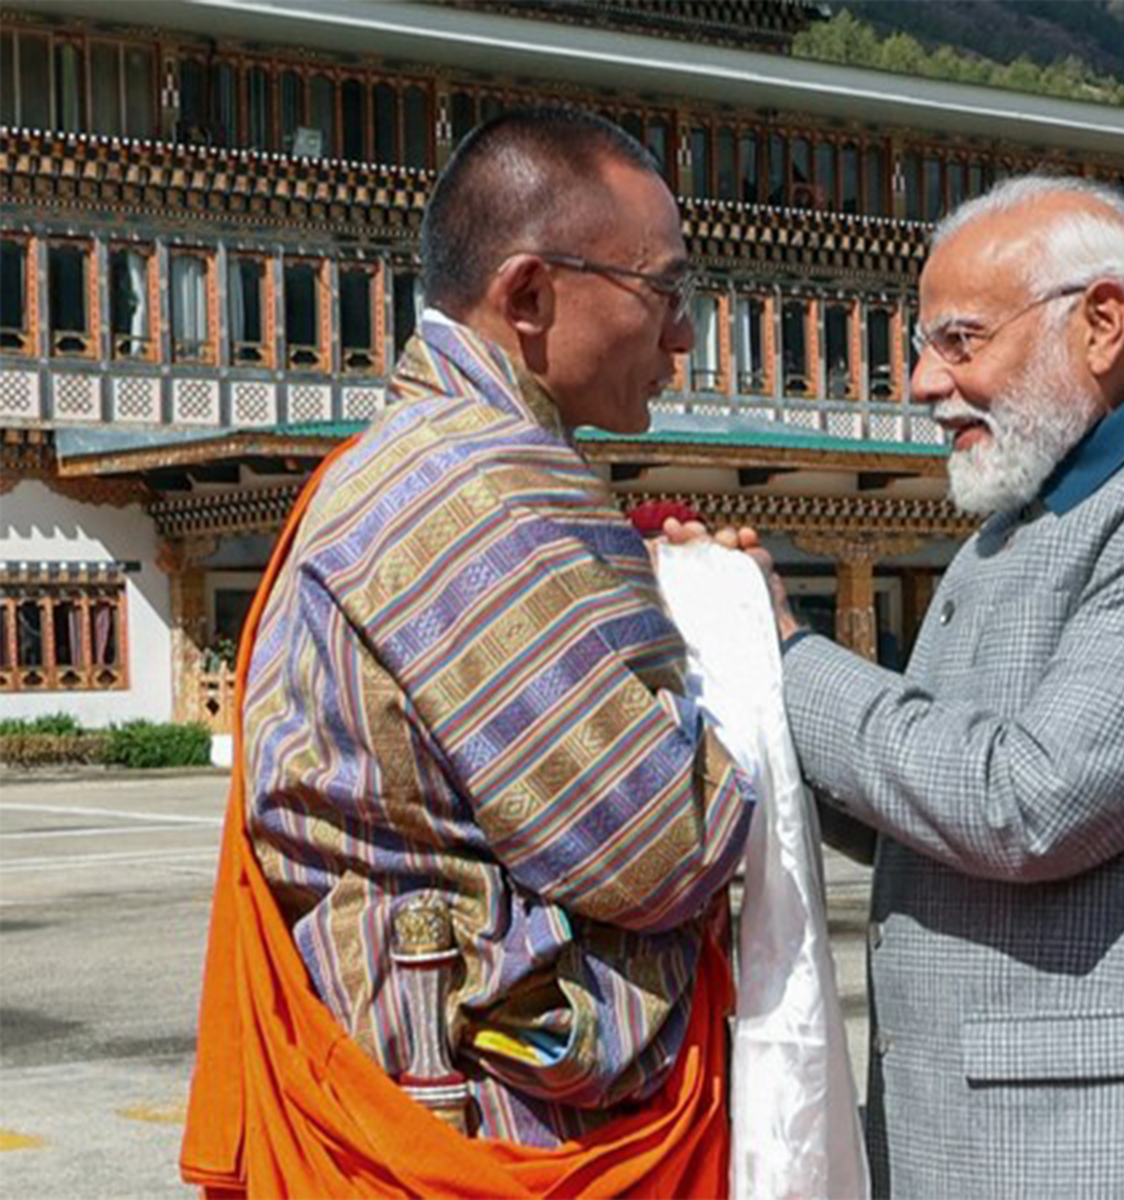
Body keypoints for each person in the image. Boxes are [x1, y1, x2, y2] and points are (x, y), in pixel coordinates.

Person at [723, 174, 1124, 1195]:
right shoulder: (1013, 528)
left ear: (1101, 323)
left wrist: (787, 655)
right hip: (1004, 1123)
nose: (921, 383)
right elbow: (927, 806)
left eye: (959, 341)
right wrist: (739, 691)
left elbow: (1027, 802)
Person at [182, 107, 754, 1197]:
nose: (683, 337)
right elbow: (661, 846)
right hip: (482, 1123)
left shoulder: (411, 460)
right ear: (529, 294)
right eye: (665, 291)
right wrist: (743, 646)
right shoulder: (476, 492)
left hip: (413, 1081)